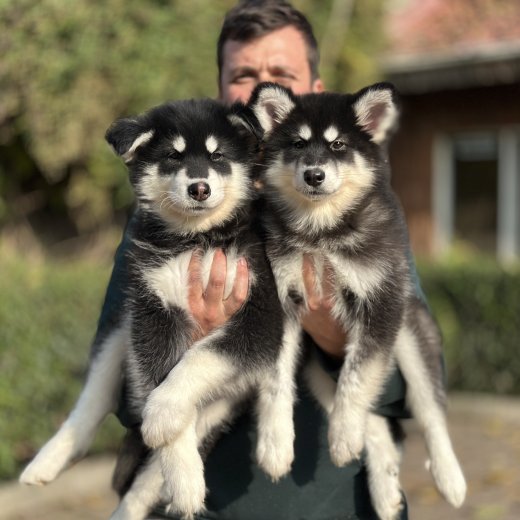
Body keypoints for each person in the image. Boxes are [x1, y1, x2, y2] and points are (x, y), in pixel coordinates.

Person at [98, 1, 412, 518]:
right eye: (243, 75)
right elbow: (131, 403)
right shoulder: (167, 214)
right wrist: (193, 333)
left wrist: (334, 338)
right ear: (223, 90)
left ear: (315, 90)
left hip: (334, 501)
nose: (263, 91)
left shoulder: (365, 210)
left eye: (282, 74)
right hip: (201, 504)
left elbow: (403, 388)